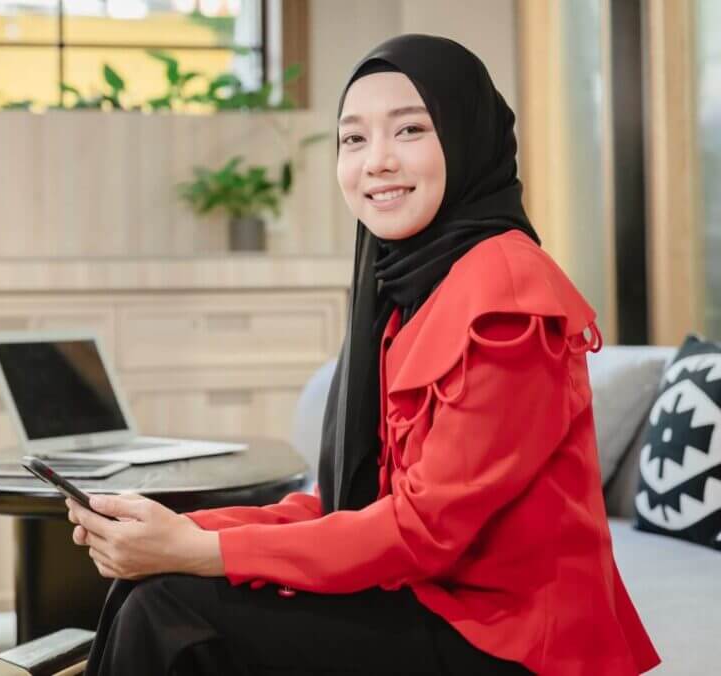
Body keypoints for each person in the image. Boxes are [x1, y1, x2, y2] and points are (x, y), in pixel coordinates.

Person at [64, 34, 661, 675]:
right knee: (152, 586)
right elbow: (350, 504)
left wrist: (197, 552)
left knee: (172, 602)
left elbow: (423, 530)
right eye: (354, 139)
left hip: (508, 639)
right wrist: (185, 530)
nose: (376, 161)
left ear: (465, 141)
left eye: (409, 130)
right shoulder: (408, 290)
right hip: (429, 601)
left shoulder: (508, 297)